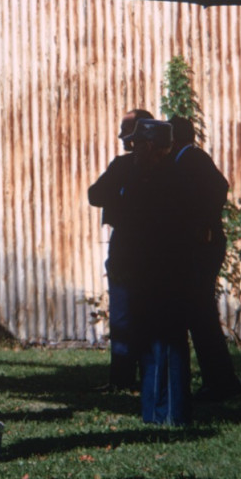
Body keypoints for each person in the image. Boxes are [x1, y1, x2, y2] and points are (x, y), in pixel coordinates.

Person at [120, 118, 191, 425]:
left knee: (166, 342)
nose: (132, 150)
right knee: (149, 342)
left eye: (136, 144)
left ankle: (171, 413)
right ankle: (153, 412)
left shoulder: (169, 179)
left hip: (165, 273)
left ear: (150, 147)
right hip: (146, 271)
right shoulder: (145, 177)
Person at [169, 116, 241, 402]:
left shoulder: (193, 158)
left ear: (175, 139)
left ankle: (221, 381)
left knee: (201, 315)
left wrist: (205, 223)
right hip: (197, 247)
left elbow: (219, 186)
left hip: (203, 247)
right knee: (200, 315)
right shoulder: (187, 159)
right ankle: (220, 379)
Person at [88, 108, 153, 391]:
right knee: (140, 314)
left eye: (126, 131)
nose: (120, 136)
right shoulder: (160, 166)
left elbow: (97, 194)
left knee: (126, 314)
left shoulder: (123, 167)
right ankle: (142, 377)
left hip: (130, 245)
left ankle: (124, 379)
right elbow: (95, 195)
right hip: (149, 246)